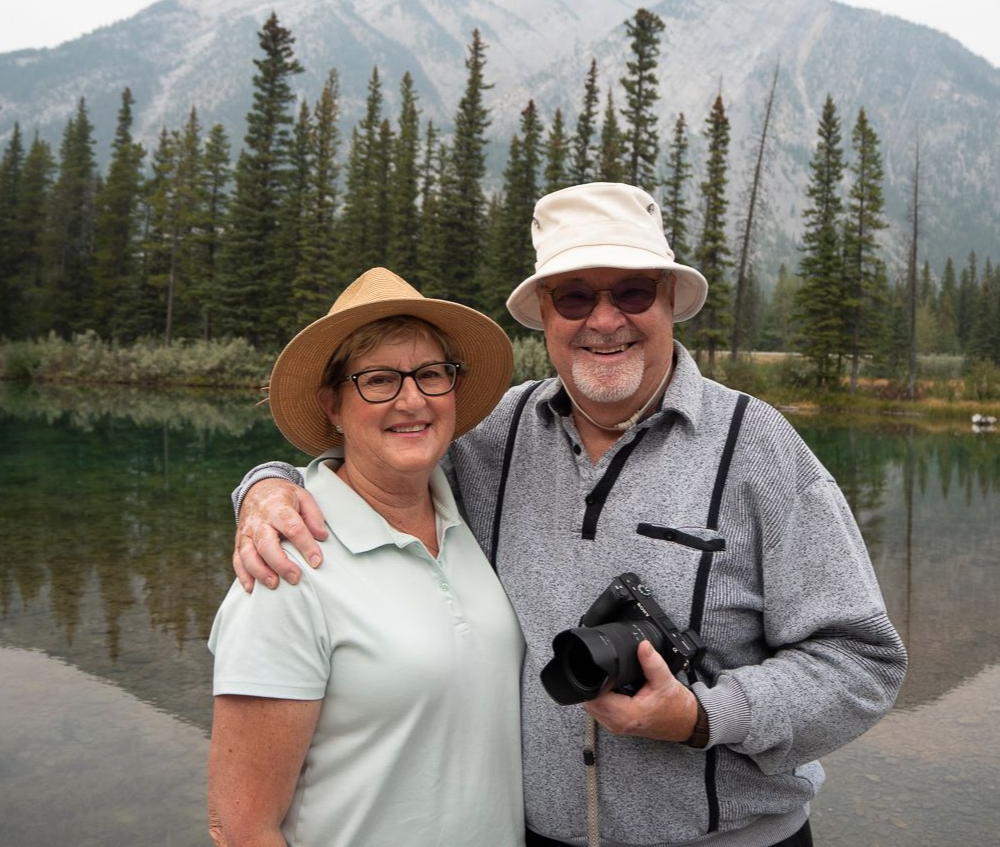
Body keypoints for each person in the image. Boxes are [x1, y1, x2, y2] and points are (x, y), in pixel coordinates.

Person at [232, 183, 907, 847]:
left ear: (670, 300)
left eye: (634, 292)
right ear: (546, 314)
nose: (605, 321)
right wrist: (267, 488)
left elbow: (862, 660)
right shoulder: (494, 435)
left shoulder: (757, 447)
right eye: (576, 296)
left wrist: (705, 715)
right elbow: (376, 452)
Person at [207, 267, 526, 847]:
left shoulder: (473, 520)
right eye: (378, 380)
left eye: (431, 374)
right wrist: (262, 488)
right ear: (332, 404)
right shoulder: (286, 568)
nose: (412, 399)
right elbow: (241, 827)